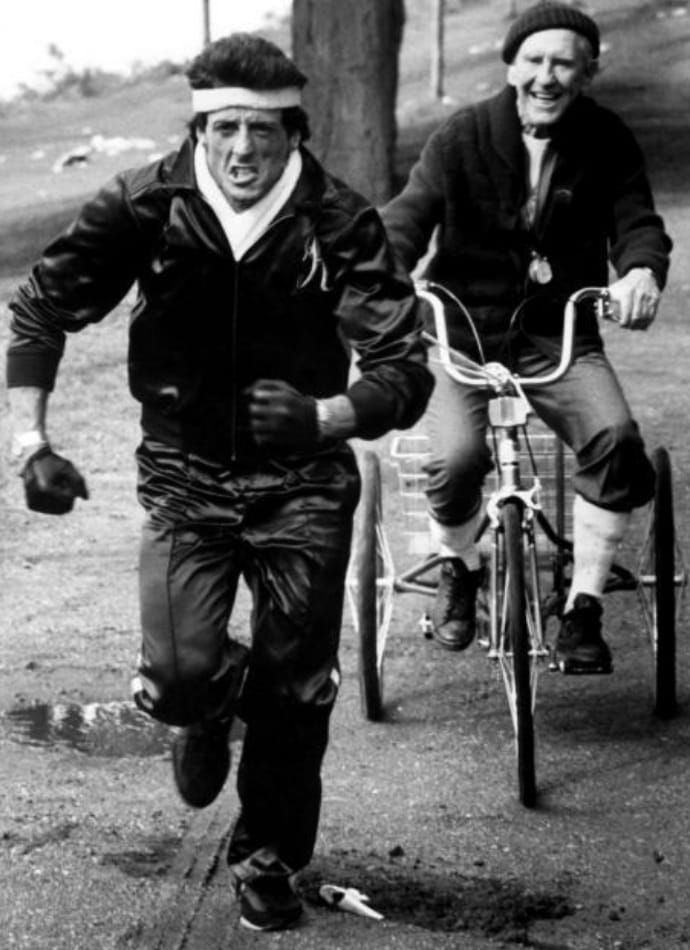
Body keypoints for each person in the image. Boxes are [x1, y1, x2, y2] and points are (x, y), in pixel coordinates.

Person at [6, 33, 433, 932]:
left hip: (304, 483)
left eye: (267, 130)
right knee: (179, 672)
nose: (244, 149)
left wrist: (327, 417)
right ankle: (206, 703)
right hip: (184, 473)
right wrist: (29, 441)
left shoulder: (336, 220)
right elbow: (44, 301)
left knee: (298, 682)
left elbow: (402, 365)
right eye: (225, 126)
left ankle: (268, 854)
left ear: (296, 131)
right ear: (201, 124)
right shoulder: (147, 201)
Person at [381, 1, 672, 671]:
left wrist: (638, 274)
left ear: (587, 72)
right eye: (535, 60)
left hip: (556, 331)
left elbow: (637, 221)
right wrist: (385, 271)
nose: (548, 77)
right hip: (462, 331)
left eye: (565, 63)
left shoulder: (606, 138)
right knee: (454, 459)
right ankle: (458, 564)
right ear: (512, 66)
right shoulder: (462, 136)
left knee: (614, 438)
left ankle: (582, 608)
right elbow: (410, 214)